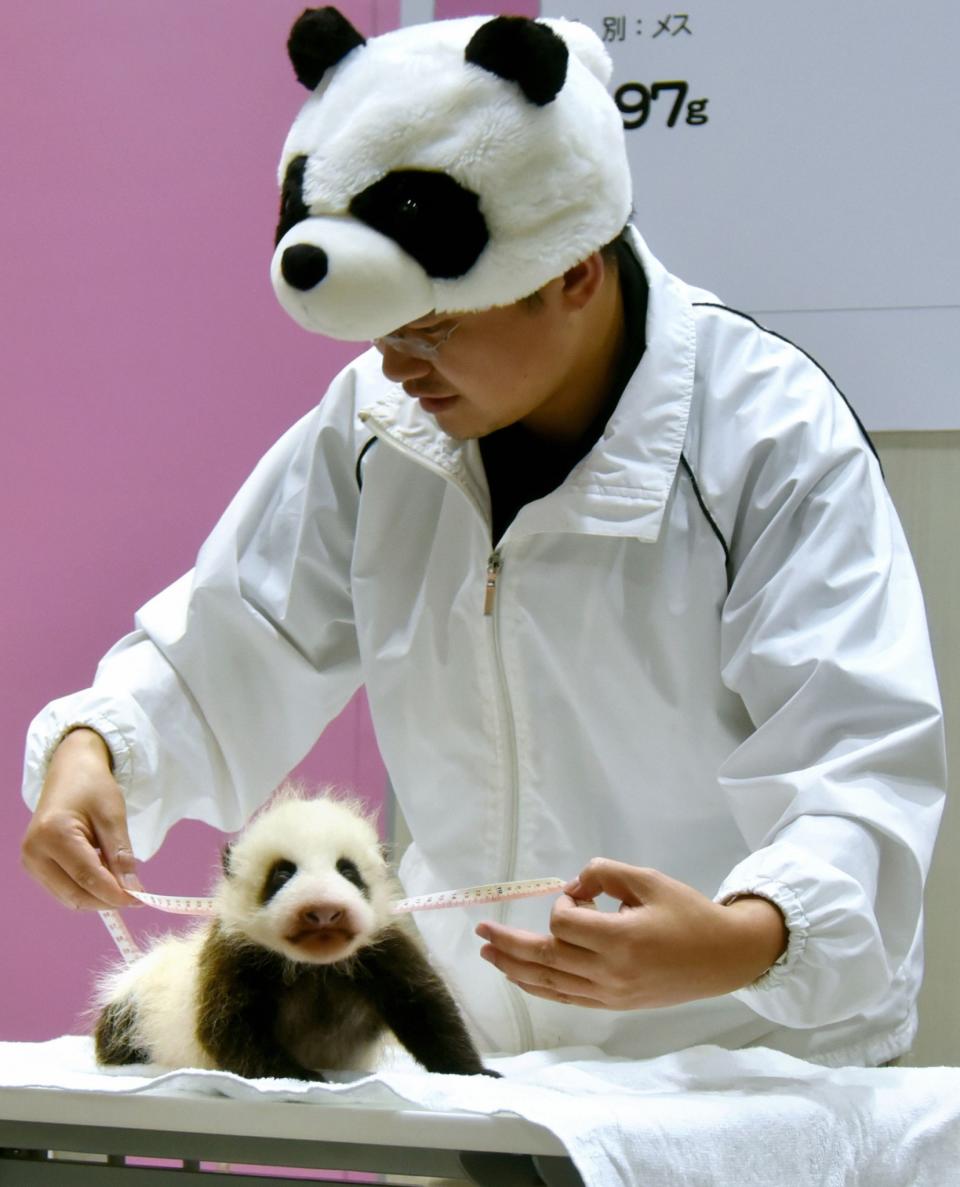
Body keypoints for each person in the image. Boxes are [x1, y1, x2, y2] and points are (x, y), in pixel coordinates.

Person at [21, 11, 945, 1068]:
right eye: (384, 330)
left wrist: (743, 940)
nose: (400, 363)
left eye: (436, 327)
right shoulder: (379, 429)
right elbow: (239, 636)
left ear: (574, 272)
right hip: (488, 1074)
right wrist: (102, 753)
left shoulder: (768, 439)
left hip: (748, 1069)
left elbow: (859, 769)